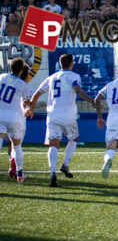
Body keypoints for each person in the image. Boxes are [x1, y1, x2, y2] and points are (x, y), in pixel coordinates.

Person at [29, 54, 95, 187]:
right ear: (71, 63)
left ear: (60, 64)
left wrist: (30, 108)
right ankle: (65, 165)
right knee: (73, 138)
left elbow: (36, 94)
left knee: (54, 144)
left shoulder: (51, 78)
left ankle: (52, 173)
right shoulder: (74, 76)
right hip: (69, 115)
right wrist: (91, 100)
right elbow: (78, 90)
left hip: (53, 114)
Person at [0, 58, 32, 184]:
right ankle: (20, 174)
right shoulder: (24, 85)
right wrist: (28, 110)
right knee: (17, 145)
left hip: (0, 113)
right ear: (21, 70)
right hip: (14, 117)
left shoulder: (2, 77)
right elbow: (27, 103)